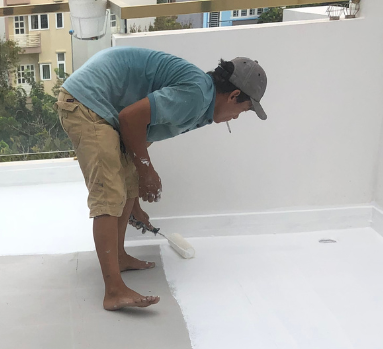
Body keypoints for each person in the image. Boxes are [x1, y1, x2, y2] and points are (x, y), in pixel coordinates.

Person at [58, 49, 267, 311]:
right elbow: (129, 119)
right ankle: (114, 291)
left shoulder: (201, 102)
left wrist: (135, 199)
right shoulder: (196, 96)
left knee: (128, 180)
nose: (236, 117)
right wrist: (147, 170)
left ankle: (119, 256)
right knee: (109, 192)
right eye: (243, 111)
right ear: (234, 95)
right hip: (87, 101)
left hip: (106, 107)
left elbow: (138, 137)